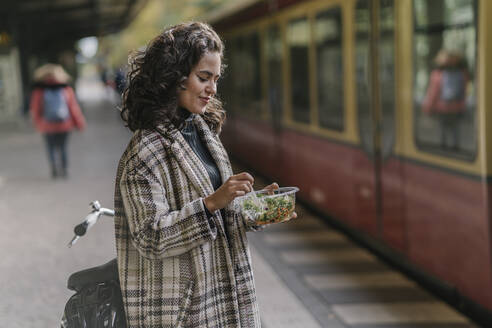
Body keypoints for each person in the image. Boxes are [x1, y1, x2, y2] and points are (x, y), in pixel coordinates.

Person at [115, 22, 296, 327]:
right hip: (186, 309)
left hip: (226, 295)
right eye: (203, 78)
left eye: (215, 79)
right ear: (174, 77)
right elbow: (149, 238)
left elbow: (220, 210)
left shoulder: (202, 131)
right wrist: (211, 202)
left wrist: (255, 209)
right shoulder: (144, 153)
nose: (212, 89)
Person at [29, 63, 86, 178]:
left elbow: (35, 109)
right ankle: (64, 170)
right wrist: (80, 123)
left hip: (47, 125)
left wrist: (38, 124)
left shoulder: (39, 90)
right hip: (64, 124)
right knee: (63, 147)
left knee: (50, 148)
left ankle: (54, 169)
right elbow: (73, 108)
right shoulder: (66, 88)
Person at [422, 49, 469, 150]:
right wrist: (462, 106)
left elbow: (433, 93)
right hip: (456, 107)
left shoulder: (437, 74)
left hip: (442, 107)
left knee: (442, 127)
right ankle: (455, 146)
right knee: (455, 128)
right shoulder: (462, 73)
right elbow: (464, 91)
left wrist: (428, 108)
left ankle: (443, 146)